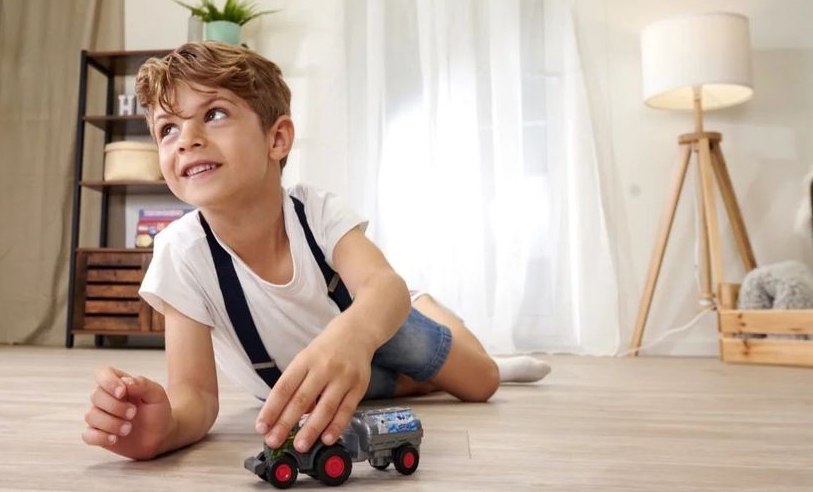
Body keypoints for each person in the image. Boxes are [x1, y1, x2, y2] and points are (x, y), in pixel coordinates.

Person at [82, 42, 550, 461]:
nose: (186, 139)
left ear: (277, 139)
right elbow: (196, 396)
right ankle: (419, 372)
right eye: (168, 128)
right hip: (311, 378)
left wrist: (354, 335)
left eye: (215, 114)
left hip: (370, 324)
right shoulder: (180, 253)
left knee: (481, 381)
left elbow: (381, 286)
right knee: (386, 391)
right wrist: (164, 428)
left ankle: (426, 307)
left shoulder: (315, 211)